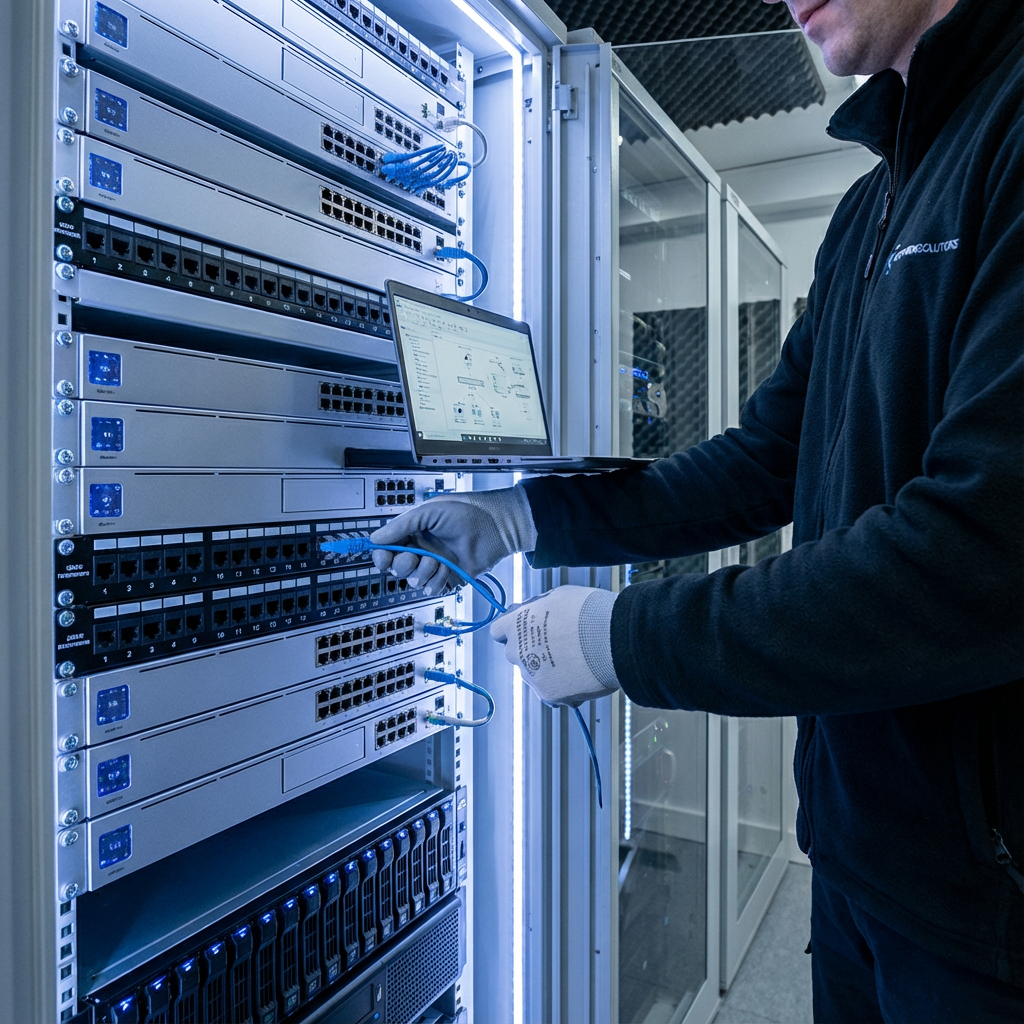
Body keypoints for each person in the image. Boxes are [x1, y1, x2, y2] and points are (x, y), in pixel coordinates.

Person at [371, 0, 1023, 1018]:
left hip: (991, 910)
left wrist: (622, 636)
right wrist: (519, 518)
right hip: (855, 860)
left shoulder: (1011, 131)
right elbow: (763, 460)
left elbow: (977, 556)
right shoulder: (868, 208)